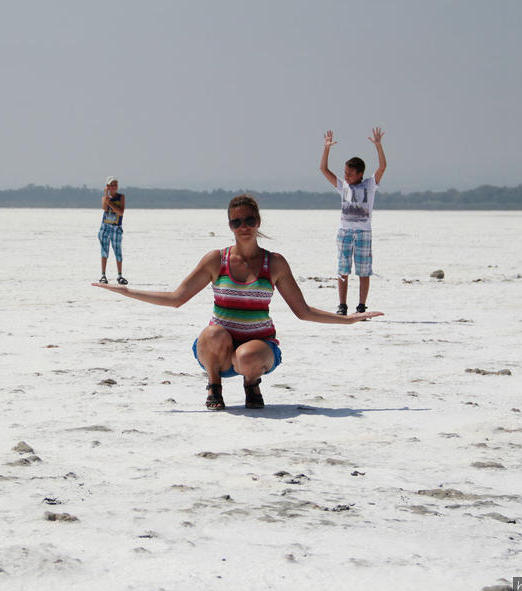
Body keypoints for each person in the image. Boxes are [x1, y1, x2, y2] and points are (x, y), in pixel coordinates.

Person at [93, 194, 383, 410]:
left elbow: (303, 311)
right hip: (218, 351)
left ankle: (251, 384)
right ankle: (214, 385)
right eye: (236, 221)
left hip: (258, 350)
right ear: (230, 225)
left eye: (249, 220)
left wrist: (346, 319)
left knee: (247, 356)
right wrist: (128, 292)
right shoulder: (216, 260)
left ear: (258, 222)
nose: (243, 226)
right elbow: (176, 298)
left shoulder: (275, 263)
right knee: (211, 332)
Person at [319, 127, 387, 315]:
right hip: (345, 232)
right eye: (345, 173)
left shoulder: (370, 185)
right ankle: (342, 305)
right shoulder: (343, 186)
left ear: (359, 174)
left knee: (364, 271)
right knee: (343, 270)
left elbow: (382, 168)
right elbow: (323, 169)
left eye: (349, 174)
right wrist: (326, 149)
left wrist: (378, 146)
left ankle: (361, 306)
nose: (346, 176)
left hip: (364, 232)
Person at [98, 175, 127, 285]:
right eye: (112, 185)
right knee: (104, 251)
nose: (114, 187)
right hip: (105, 227)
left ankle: (119, 275)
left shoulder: (121, 197)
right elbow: (104, 208)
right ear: (108, 186)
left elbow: (120, 212)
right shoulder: (104, 198)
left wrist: (110, 202)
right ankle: (103, 275)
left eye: (115, 185)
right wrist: (106, 196)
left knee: (118, 251)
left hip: (116, 227)